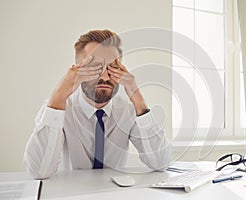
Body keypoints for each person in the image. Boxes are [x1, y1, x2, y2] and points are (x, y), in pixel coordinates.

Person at [24, 29, 171, 179]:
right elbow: (38, 172)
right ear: (77, 70)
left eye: (112, 68)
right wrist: (59, 95)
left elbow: (161, 163)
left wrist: (136, 96)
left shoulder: (128, 109)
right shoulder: (58, 108)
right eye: (96, 67)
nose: (105, 77)